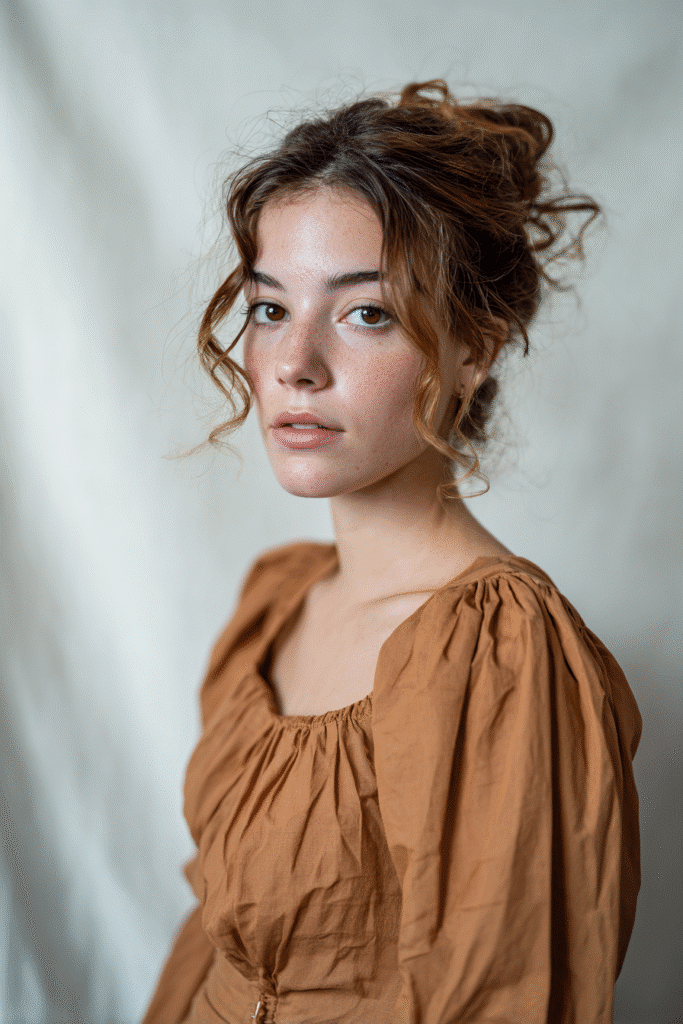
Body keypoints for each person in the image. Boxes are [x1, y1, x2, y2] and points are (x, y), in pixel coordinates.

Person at [142, 79, 641, 1024]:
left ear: (472, 349)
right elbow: (216, 941)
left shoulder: (498, 652)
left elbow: (503, 998)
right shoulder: (277, 602)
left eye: (365, 312)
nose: (295, 364)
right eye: (269, 308)